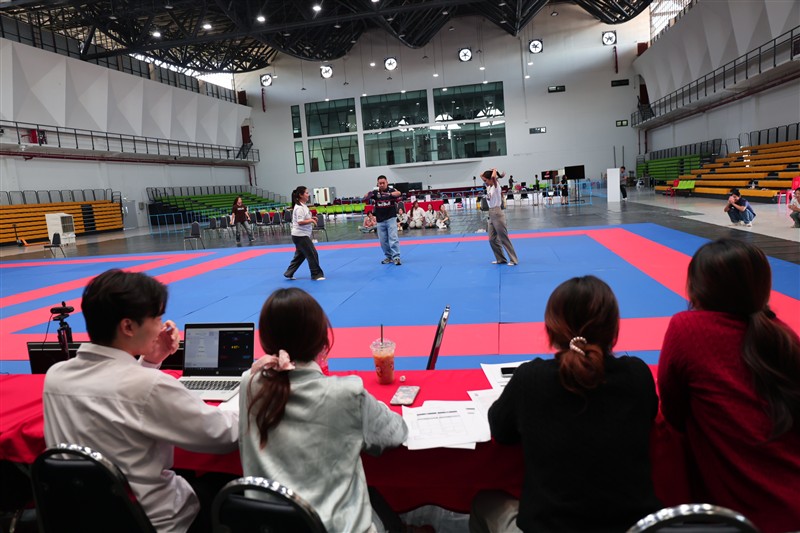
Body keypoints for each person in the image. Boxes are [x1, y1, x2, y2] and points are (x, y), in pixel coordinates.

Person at [43, 269, 239, 533]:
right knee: (226, 492)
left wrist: (149, 361)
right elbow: (222, 435)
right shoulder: (149, 386)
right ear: (128, 326)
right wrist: (250, 392)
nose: (161, 326)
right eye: (157, 318)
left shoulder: (56, 377)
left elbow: (118, 393)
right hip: (157, 522)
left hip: (85, 518)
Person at [471, 276, 661, 532]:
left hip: (549, 526)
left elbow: (501, 430)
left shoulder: (530, 379)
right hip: (633, 527)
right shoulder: (638, 375)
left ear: (552, 329)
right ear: (612, 329)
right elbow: (649, 414)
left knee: (483, 502)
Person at [657, 239, 800, 533]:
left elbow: (672, 413)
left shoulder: (687, 329)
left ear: (698, 286)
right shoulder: (784, 336)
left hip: (743, 518)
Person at [239, 288, 408, 533]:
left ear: (265, 339)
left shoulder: (250, 383)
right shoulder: (347, 393)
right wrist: (372, 407)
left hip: (270, 527)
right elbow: (395, 433)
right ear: (322, 341)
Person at [284, 186, 324, 281]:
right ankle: (316, 274)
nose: (308, 195)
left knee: (300, 256)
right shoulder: (299, 208)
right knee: (312, 254)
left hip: (300, 235)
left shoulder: (303, 206)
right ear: (301, 195)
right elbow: (300, 221)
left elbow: (304, 218)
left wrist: (312, 218)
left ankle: (289, 273)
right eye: (306, 193)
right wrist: (311, 220)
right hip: (300, 236)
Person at [480, 168, 519, 265]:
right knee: (492, 239)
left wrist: (495, 170)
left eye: (486, 180)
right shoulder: (489, 186)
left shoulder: (496, 186)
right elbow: (481, 175)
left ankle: (513, 259)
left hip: (497, 213)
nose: (484, 182)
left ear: (491, 179)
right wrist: (491, 173)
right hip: (491, 213)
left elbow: (493, 177)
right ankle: (501, 259)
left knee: (503, 238)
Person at [364, 175, 402, 265]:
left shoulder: (391, 190)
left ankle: (396, 257)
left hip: (391, 218)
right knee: (383, 241)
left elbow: (399, 193)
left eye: (383, 183)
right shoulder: (375, 193)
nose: (381, 185)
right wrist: (368, 194)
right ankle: (389, 257)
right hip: (380, 220)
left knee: (393, 238)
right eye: (380, 183)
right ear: (377, 184)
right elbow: (365, 197)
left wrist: (390, 194)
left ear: (387, 182)